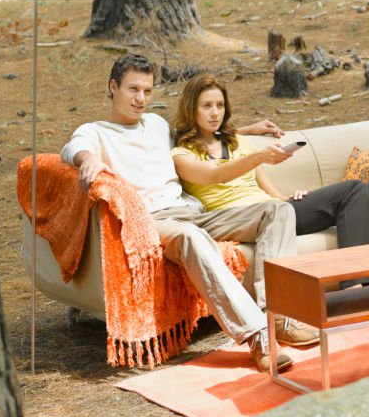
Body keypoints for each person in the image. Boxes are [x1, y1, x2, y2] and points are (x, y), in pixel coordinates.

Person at [60, 54, 317, 374]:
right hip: (153, 221)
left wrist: (248, 130)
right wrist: (87, 160)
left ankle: (279, 314)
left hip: (190, 211)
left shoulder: (156, 125)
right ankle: (258, 338)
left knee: (278, 210)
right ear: (113, 87)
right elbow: (73, 148)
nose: (141, 99)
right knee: (192, 237)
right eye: (133, 89)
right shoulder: (96, 132)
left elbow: (196, 134)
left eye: (148, 91)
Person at [170, 74, 369, 286]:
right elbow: (216, 174)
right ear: (191, 109)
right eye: (206, 106)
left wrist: (295, 197)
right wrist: (259, 157)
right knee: (353, 190)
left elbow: (271, 195)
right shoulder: (181, 155)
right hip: (243, 220)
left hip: (277, 211)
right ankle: (355, 287)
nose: (215, 113)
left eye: (219, 105)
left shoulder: (238, 142)